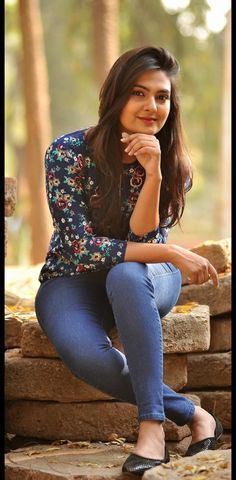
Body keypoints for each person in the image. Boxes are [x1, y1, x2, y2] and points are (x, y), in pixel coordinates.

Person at [35, 46, 223, 476]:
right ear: (115, 96)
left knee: (125, 274)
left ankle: (152, 426)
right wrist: (174, 251)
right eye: (138, 93)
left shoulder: (173, 164)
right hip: (73, 279)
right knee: (88, 355)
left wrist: (153, 172)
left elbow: (142, 239)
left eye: (161, 96)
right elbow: (79, 247)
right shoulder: (67, 154)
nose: (151, 106)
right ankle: (194, 416)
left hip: (144, 280)